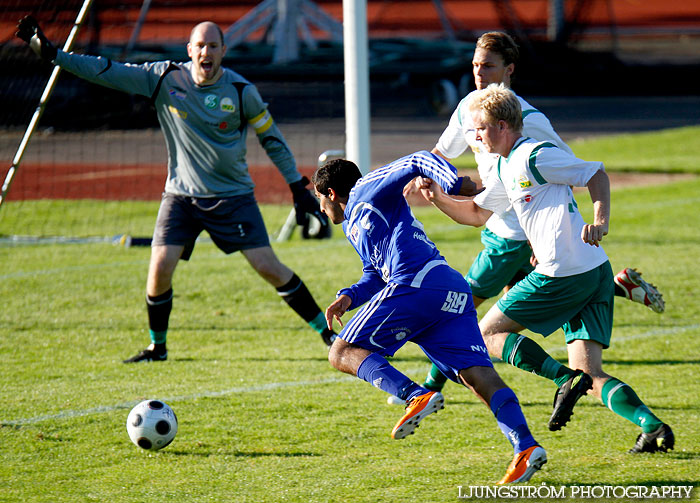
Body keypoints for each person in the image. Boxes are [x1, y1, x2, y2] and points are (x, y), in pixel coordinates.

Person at [16, 17, 337, 360]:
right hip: (181, 196)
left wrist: (296, 184)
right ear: (190, 50)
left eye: (213, 46)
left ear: (224, 51)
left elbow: (271, 139)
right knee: (159, 267)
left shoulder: (242, 92)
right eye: (200, 45)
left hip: (233, 197)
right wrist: (55, 56)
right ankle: (158, 346)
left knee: (269, 267)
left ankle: (328, 334)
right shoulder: (164, 79)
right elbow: (107, 70)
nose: (206, 52)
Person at [398, 31, 664, 399]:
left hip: (512, 233)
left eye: (488, 65)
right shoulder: (467, 108)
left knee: (460, 306)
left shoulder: (529, 121)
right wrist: (420, 173)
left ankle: (428, 389)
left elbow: (569, 172)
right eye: (475, 65)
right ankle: (614, 287)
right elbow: (442, 152)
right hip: (498, 220)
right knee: (509, 306)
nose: (479, 72)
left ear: (509, 69)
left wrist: (558, 231)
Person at [414, 83, 674, 453]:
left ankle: (562, 380)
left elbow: (596, 174)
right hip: (595, 271)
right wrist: (437, 198)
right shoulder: (506, 167)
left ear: (503, 126)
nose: (475, 137)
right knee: (591, 373)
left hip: (564, 274)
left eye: (481, 128)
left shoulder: (534, 155)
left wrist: (600, 221)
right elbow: (474, 215)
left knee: (483, 336)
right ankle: (653, 428)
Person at [311, 151, 547, 484]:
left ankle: (413, 394)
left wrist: (452, 182)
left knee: (341, 351)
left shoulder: (368, 187)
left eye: (320, 200)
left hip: (418, 282)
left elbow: (417, 159)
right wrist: (349, 296)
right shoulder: (354, 224)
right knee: (476, 375)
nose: (321, 208)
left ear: (332, 194)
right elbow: (374, 273)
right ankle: (525, 446)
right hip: (449, 290)